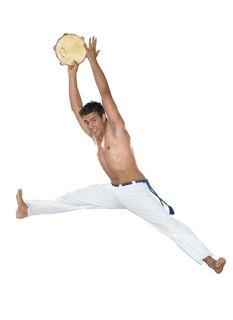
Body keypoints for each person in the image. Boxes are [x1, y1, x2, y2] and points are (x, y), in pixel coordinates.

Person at [16, 36, 226, 274]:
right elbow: (76, 108)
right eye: (87, 122)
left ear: (104, 116)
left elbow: (105, 93)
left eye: (93, 120)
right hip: (113, 191)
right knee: (70, 199)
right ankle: (27, 210)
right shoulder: (95, 135)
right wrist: (72, 73)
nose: (90, 126)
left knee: (168, 225)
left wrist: (93, 60)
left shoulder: (116, 128)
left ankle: (209, 260)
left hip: (136, 190)